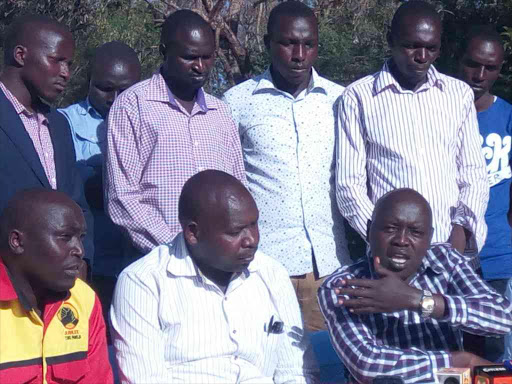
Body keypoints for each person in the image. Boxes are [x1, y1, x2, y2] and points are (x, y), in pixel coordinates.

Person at [110, 170, 318, 383]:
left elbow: (296, 373)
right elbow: (144, 379)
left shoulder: (272, 274)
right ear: (193, 233)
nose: (252, 240)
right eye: (236, 232)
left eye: (254, 224)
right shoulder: (143, 282)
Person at [223, 0, 349, 332]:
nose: (299, 54)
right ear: (267, 44)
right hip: (264, 268)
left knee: (329, 369)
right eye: (288, 42)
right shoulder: (237, 103)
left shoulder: (341, 101)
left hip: (330, 268)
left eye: (308, 44)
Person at [336, 1, 489, 261]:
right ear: (390, 40)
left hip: (452, 250)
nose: (422, 56)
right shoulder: (358, 97)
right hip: (391, 257)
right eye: (411, 46)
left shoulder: (458, 94)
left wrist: (462, 232)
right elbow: (349, 185)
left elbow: (473, 173)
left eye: (431, 48)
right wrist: (384, 239)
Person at [318, 188, 512, 384]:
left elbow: (503, 318)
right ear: (369, 231)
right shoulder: (343, 285)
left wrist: (419, 300)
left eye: (416, 232)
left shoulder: (445, 259)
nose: (401, 240)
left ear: (429, 238)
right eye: (391, 228)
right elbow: (368, 366)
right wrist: (459, 361)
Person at [105, 10, 246, 261]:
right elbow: (122, 198)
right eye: (189, 57)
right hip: (159, 261)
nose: (200, 66)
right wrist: (179, 248)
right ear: (164, 51)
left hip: (221, 263)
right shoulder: (132, 105)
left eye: (207, 57)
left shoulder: (221, 112)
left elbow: (238, 187)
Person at [0, 14, 94, 276]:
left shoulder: (59, 125)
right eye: (56, 60)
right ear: (21, 55)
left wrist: (84, 262)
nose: (66, 73)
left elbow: (76, 201)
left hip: (59, 285)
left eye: (69, 64)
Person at [0, 189, 113, 383]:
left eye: (81, 238)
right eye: (65, 237)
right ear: (17, 241)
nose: (79, 250)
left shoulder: (83, 299)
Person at [59, 41, 141, 278]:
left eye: (125, 91)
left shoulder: (154, 124)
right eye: (105, 88)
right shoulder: (63, 123)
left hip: (137, 261)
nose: (115, 99)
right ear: (89, 81)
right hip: (88, 258)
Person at [458, 26, 512, 361]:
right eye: (472, 64)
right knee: (450, 356)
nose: (479, 75)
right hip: (447, 258)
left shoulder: (507, 116)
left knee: (492, 360)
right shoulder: (440, 113)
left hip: (497, 259)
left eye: (490, 68)